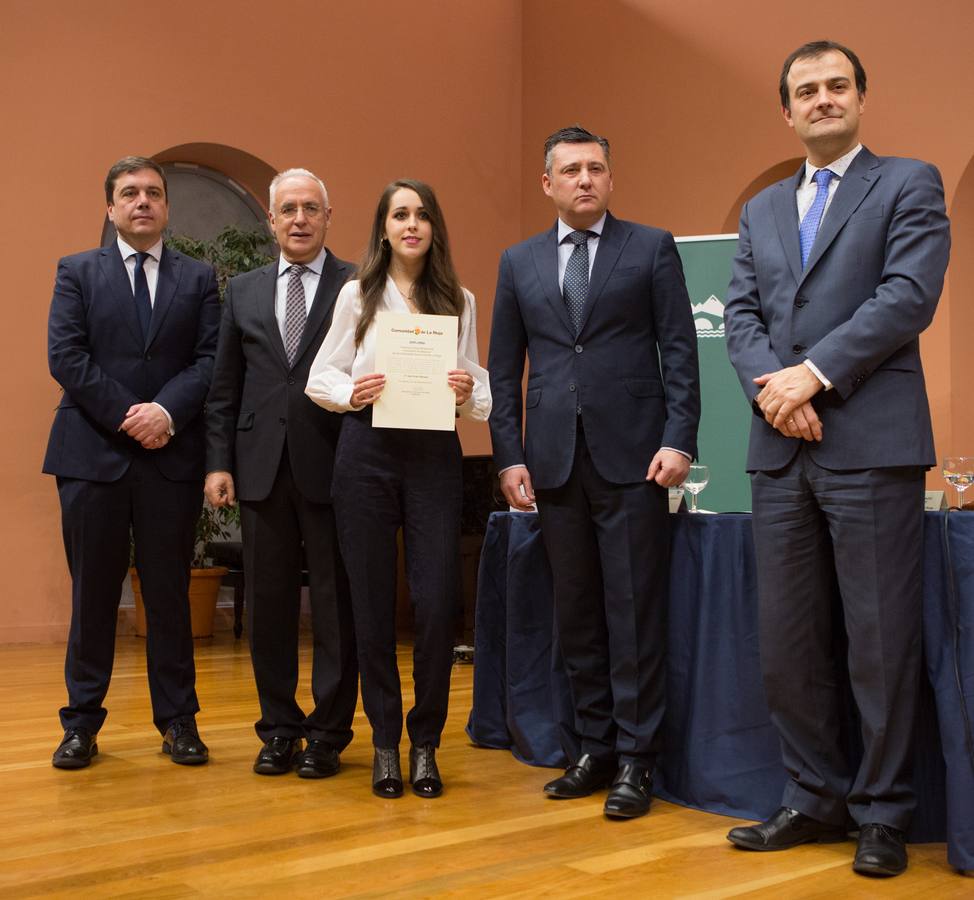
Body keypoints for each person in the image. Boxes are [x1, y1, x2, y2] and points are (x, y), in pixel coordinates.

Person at [723, 41, 950, 877]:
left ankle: (883, 814)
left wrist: (812, 377)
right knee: (788, 643)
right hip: (780, 450)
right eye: (806, 91)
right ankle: (810, 798)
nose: (822, 100)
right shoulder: (762, 210)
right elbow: (740, 317)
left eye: (836, 86)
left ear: (861, 98)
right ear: (786, 111)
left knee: (879, 642)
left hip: (871, 444)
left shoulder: (908, 183)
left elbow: (908, 296)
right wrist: (773, 392)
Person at [487, 126, 700, 819]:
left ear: (611, 178)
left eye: (596, 168)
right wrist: (510, 454)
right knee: (575, 613)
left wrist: (681, 440)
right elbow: (502, 367)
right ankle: (593, 748)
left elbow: (679, 351)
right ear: (547, 184)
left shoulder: (651, 247)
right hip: (550, 462)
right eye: (571, 170)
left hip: (635, 458)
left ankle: (638, 760)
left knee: (632, 612)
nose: (586, 179)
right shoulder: (517, 262)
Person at [305, 178, 490, 798]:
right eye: (399, 215)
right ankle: (386, 742)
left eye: (421, 215)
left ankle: (426, 742)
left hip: (435, 453)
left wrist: (471, 392)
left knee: (437, 602)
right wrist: (347, 392)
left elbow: (478, 387)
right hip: (366, 450)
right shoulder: (356, 296)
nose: (411, 225)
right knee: (372, 603)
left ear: (435, 227)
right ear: (383, 228)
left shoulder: (458, 300)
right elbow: (320, 376)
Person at [44, 156, 220, 768]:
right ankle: (81, 724)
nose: (142, 202)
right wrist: (131, 415)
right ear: (110, 208)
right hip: (92, 457)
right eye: (129, 193)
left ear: (166, 207)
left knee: (168, 595)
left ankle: (178, 722)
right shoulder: (76, 272)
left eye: (152, 193)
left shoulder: (198, 279)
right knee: (92, 595)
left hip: (168, 459)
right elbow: (66, 357)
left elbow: (208, 362)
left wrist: (164, 414)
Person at [204, 168, 358, 778]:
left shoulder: (357, 284)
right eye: (288, 209)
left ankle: (328, 734)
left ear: (328, 216)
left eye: (311, 209)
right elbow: (224, 389)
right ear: (270, 220)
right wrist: (218, 463)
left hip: (335, 466)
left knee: (334, 606)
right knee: (268, 608)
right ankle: (278, 730)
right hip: (260, 468)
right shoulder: (241, 291)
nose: (299, 219)